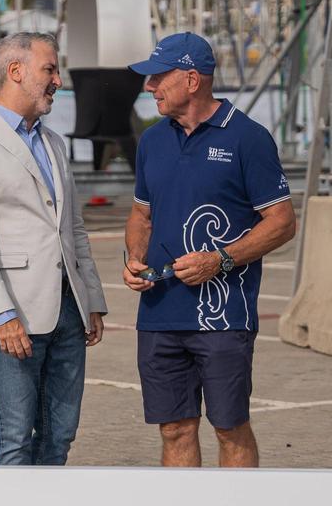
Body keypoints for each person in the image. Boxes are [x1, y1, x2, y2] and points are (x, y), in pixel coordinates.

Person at [123, 33, 296, 468]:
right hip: (160, 315)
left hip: (223, 317)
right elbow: (141, 215)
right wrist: (133, 258)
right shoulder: (152, 141)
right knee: (174, 428)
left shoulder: (248, 138)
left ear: (192, 79)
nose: (149, 87)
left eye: (158, 77)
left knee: (229, 427)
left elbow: (282, 222)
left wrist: (220, 260)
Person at [0, 32, 108, 466]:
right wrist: (1, 315)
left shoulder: (54, 143)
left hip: (68, 311)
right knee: (15, 436)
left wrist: (92, 297)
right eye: (50, 69)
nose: (58, 80)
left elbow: (72, 228)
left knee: (60, 434)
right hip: (13, 316)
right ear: (16, 71)